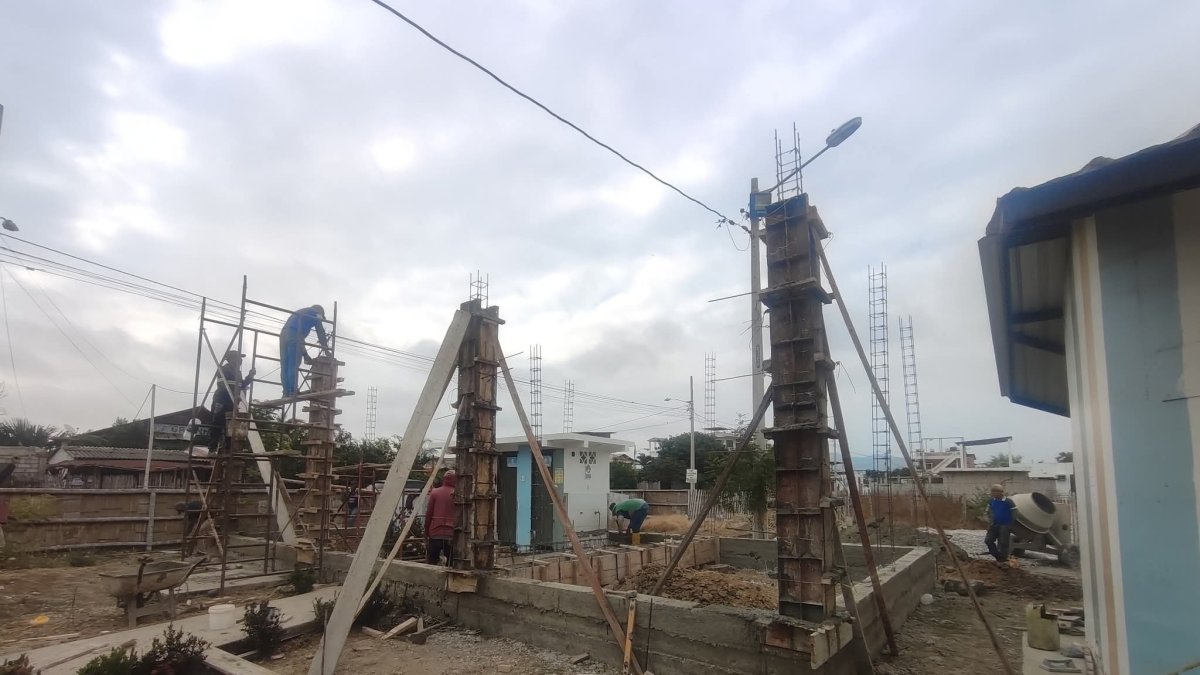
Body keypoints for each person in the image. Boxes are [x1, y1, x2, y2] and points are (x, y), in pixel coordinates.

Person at [279, 305, 331, 397]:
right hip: (294, 334)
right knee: (293, 364)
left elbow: (299, 339)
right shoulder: (316, 313)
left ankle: (286, 392)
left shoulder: (302, 312)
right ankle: (292, 391)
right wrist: (326, 350)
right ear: (321, 313)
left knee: (285, 365)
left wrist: (305, 355)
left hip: (283, 335)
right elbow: (320, 332)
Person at [210, 350, 254, 451]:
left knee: (230, 425)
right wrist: (234, 394)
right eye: (238, 358)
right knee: (217, 423)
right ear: (230, 359)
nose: (240, 361)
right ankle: (212, 448)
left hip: (231, 402)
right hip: (222, 400)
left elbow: (241, 385)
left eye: (241, 359)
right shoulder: (224, 369)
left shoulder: (237, 372)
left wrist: (250, 376)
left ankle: (228, 448)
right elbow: (222, 386)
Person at [424, 470, 456, 566]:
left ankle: (430, 580)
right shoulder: (458, 494)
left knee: (431, 563)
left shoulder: (435, 492)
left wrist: (426, 532)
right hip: (452, 533)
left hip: (435, 533)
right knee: (452, 564)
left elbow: (428, 514)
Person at [985, 484, 1017, 565]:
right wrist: (988, 520)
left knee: (1003, 543)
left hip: (1005, 525)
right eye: (992, 491)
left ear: (1001, 493)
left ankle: (1003, 560)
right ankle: (998, 556)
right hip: (994, 524)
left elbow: (1015, 512)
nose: (993, 493)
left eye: (995, 492)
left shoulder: (1008, 501)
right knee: (988, 540)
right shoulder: (991, 501)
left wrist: (1011, 524)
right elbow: (987, 512)